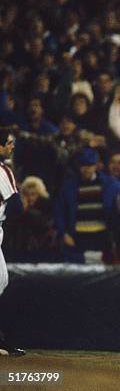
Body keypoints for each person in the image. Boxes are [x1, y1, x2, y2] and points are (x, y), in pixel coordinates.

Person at [0, 128, 25, 356]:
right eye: (8, 143)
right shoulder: (2, 170)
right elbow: (17, 207)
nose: (11, 146)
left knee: (2, 281)